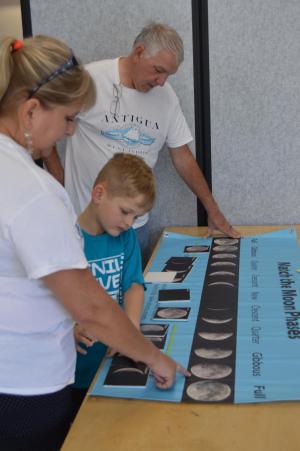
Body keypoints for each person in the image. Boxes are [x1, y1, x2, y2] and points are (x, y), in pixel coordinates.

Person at [0, 35, 188, 451]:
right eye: (69, 119)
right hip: (23, 388)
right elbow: (91, 306)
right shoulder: (34, 192)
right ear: (31, 110)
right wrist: (154, 357)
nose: (70, 131)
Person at [44, 22, 240, 263]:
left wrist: (212, 208)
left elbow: (183, 157)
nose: (161, 81)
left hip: (134, 226)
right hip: (85, 224)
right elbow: (48, 122)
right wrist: (57, 178)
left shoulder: (166, 98)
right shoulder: (91, 80)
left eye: (168, 74)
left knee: (134, 291)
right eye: (158, 70)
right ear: (138, 53)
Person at [72, 152, 155, 410]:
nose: (130, 223)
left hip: (110, 362)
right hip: (73, 373)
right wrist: (70, 330)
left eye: (136, 217)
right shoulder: (67, 238)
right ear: (99, 194)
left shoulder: (126, 238)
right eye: (125, 212)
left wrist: (129, 333)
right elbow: (46, 301)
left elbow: (133, 285)